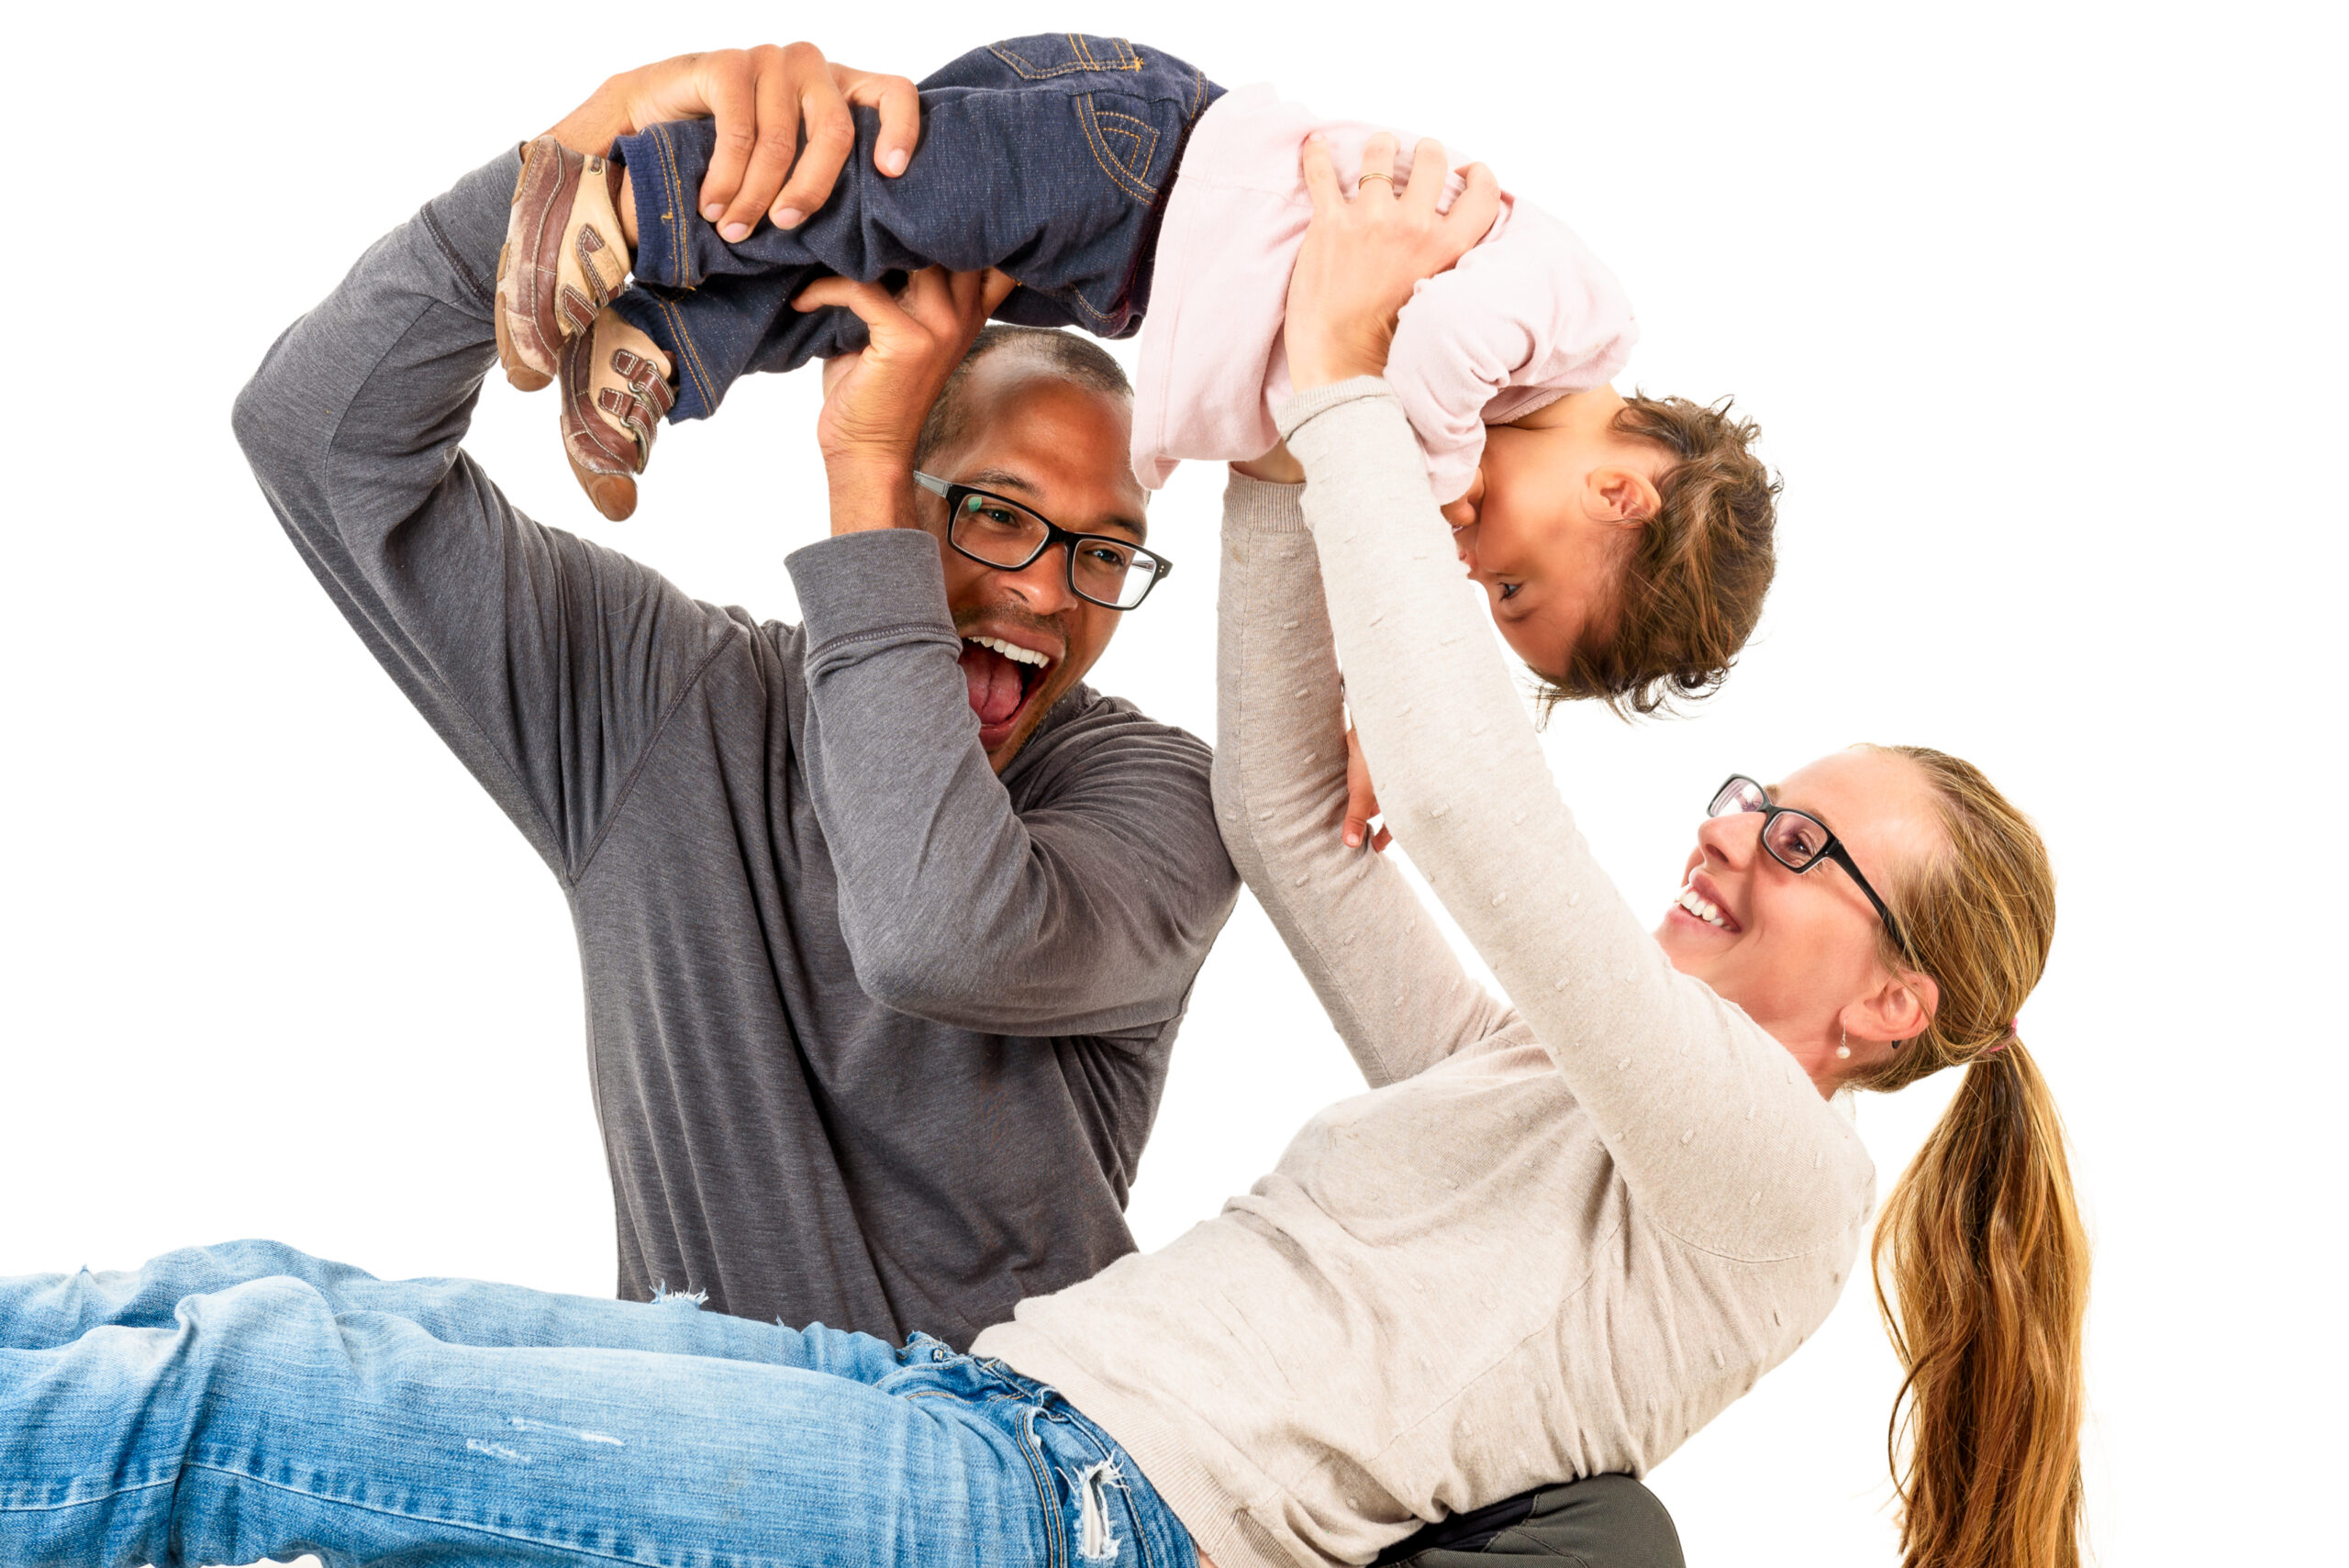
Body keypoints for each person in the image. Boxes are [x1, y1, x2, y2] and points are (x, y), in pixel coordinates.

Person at [6, 127, 2085, 1568]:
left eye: (1802, 841)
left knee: (263, 1402)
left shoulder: (1772, 1177)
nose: (1734, 835)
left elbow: (1445, 802)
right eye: (1747, 798)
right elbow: (1302, 817)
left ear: (1894, 1003)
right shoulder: (1529, 1090)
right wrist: (1283, 379)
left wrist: (1359, 384)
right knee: (247, 1305)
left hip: (1059, 1513)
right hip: (968, 1425)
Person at [232, 44, 1240, 1351]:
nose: (1052, 594)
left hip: (1038, 1490)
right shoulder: (667, 706)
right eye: (999, 516)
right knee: (244, 1323)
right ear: (916, 498)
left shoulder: (1156, 798)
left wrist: (869, 467)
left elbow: (935, 930)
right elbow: (317, 437)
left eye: (1104, 549)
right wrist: (576, 164)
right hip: (691, 1496)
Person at [506, 32, 1777, 714]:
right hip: (1132, 153)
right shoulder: (1574, 320)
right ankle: (630, 197)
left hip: (1120, 272)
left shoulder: (1486, 411)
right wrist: (1414, 484)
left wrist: (1373, 713)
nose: (1460, 553)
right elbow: (1434, 358)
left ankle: (672, 348)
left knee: (882, 308)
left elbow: (1347, 502)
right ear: (1624, 495)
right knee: (880, 204)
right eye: (1511, 576)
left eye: (1486, 594)